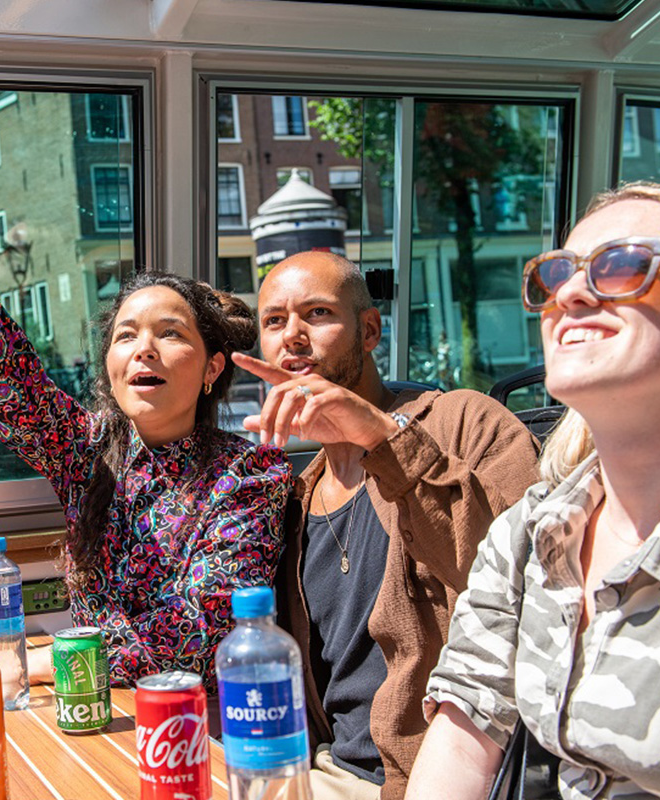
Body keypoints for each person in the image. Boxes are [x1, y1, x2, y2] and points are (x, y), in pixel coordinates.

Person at [0, 124, 290, 688]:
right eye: (126, 335)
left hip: (194, 727)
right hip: (81, 710)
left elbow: (197, 635)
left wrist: (36, 665)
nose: (143, 347)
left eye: (169, 333)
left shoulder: (249, 475)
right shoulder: (89, 452)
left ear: (212, 369)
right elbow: (6, 379)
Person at [409, 183, 660, 799]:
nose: (571, 294)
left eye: (627, 265)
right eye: (558, 274)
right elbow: (462, 734)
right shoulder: (532, 531)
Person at [233, 251, 540, 800]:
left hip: (433, 776)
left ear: (369, 330)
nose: (293, 336)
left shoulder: (464, 421)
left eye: (318, 314)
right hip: (322, 767)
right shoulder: (295, 497)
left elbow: (528, 586)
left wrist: (383, 438)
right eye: (274, 321)